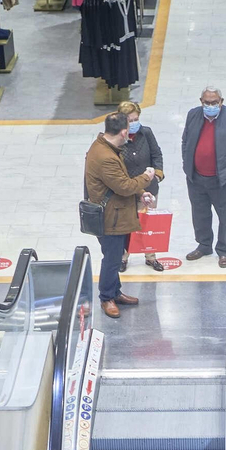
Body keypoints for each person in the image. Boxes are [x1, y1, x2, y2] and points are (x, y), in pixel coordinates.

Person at [84, 113, 156, 319]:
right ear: (124, 131)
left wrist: (141, 193)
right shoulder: (105, 157)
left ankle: (115, 292)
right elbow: (124, 186)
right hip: (110, 219)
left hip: (117, 215)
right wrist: (146, 178)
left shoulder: (106, 148)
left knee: (115, 257)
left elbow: (120, 180)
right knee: (112, 259)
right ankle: (106, 297)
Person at [181, 87, 226, 268]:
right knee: (200, 214)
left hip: (222, 179)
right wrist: (187, 164)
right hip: (196, 178)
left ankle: (224, 250)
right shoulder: (193, 115)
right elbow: (186, 141)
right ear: (201, 101)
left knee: (225, 217)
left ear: (221, 102)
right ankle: (204, 245)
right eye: (207, 102)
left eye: (214, 102)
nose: (210, 106)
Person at [118, 100, 166, 272]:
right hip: (127, 191)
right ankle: (123, 257)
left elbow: (156, 154)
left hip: (149, 189)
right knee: (126, 225)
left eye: (135, 119)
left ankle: (151, 256)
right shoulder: (117, 138)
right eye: (129, 120)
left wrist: (158, 174)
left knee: (149, 223)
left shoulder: (146, 133)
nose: (133, 123)